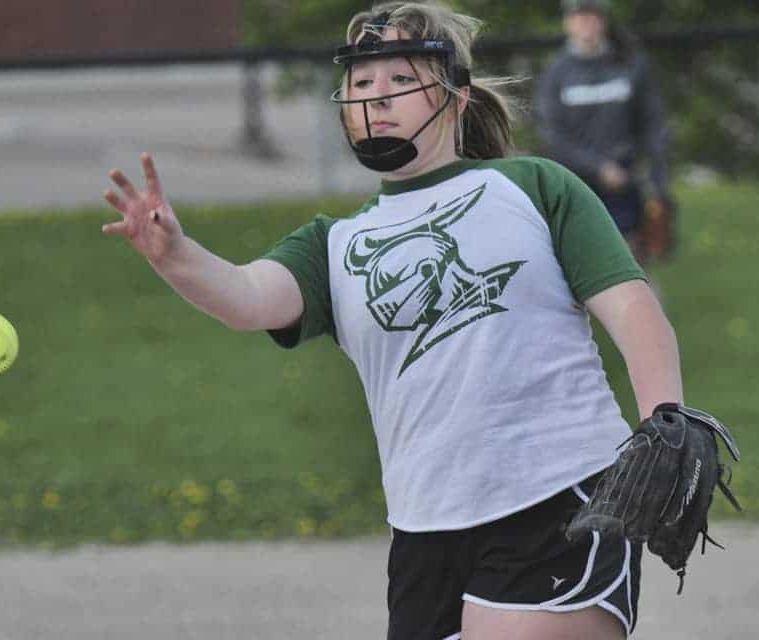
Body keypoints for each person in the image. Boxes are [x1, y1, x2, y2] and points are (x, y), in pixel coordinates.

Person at [102, 2, 683, 638]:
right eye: (362, 82)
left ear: (458, 96)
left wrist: (666, 421)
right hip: (424, 530)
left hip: (556, 496)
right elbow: (245, 296)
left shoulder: (531, 186)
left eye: (401, 79)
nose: (377, 96)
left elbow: (630, 304)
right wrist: (175, 254)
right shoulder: (335, 243)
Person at [534, 0, 674, 264]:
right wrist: (598, 167)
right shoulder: (556, 72)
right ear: (567, 22)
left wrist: (657, 178)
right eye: (580, 16)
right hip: (576, 180)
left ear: (603, 21)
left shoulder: (630, 64)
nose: (586, 23)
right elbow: (553, 135)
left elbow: (652, 123)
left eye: (593, 16)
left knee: (629, 257)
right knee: (583, 259)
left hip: (626, 178)